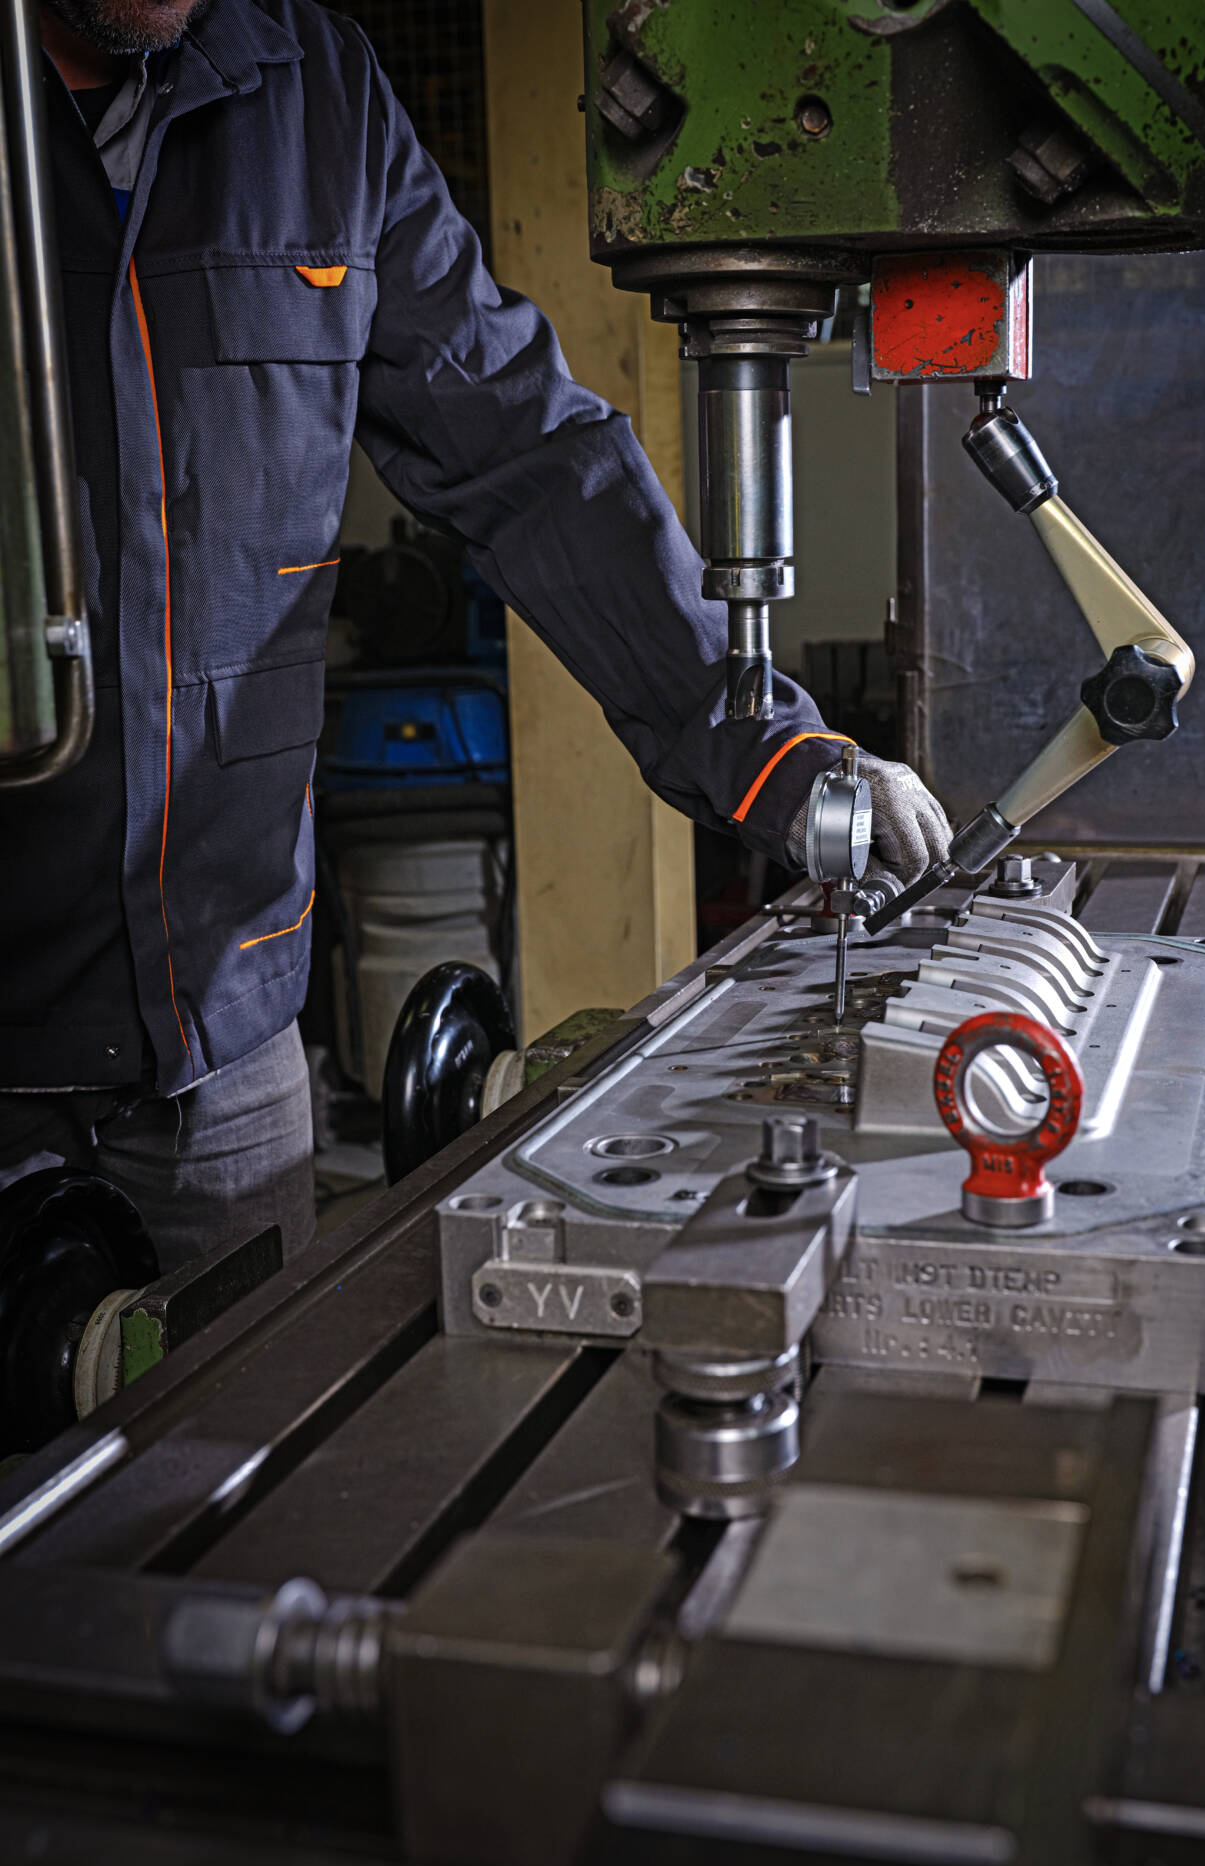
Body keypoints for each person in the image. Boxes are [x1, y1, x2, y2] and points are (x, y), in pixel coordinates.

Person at [0, 0, 951, 1272]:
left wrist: (770, 753)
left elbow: (526, 452)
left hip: (224, 1071)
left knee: (245, 1459)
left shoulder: (312, 91)